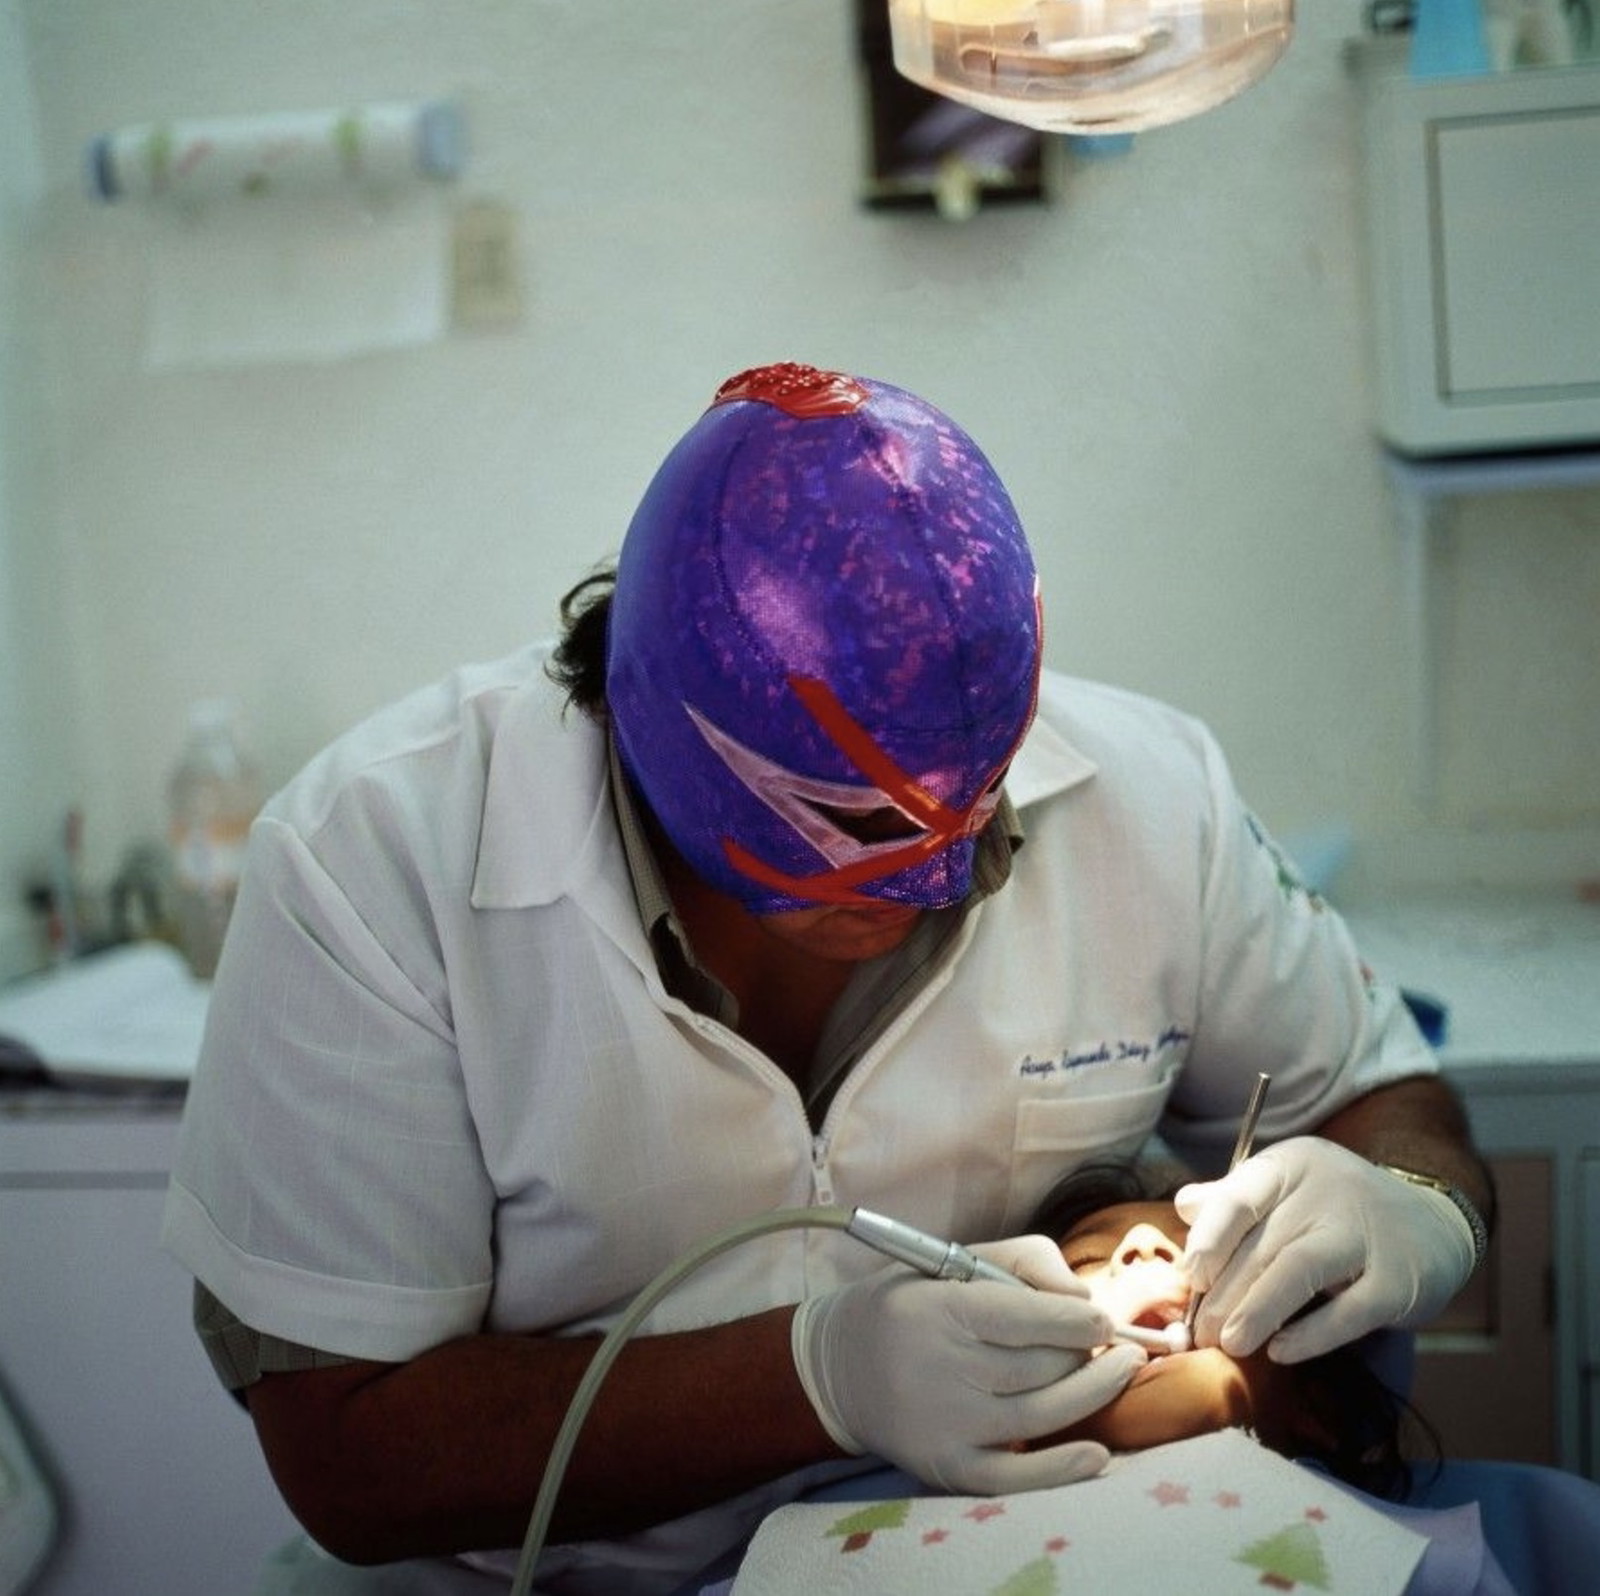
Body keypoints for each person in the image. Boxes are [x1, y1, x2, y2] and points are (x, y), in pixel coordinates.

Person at [160, 361, 1494, 1596]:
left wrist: (1410, 1204)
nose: (949, 878)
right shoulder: (374, 862)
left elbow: (1387, 1097)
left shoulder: (1151, 798)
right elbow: (349, 1453)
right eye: (863, 833)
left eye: (977, 809)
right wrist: (821, 1375)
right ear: (677, 739)